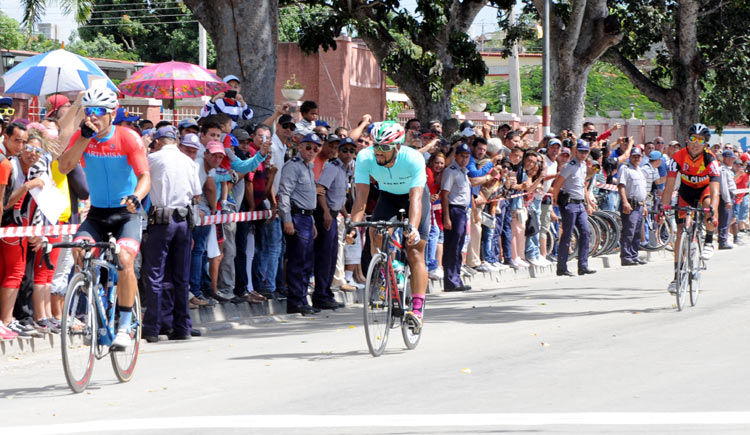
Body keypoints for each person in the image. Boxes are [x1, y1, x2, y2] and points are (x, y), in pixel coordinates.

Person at [58, 87, 150, 350]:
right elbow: (65, 167)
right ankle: (96, 299)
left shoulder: (128, 138)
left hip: (126, 213)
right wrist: (83, 140)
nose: (93, 117)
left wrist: (136, 196)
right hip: (97, 213)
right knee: (79, 250)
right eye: (89, 111)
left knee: (123, 258)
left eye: (98, 112)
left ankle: (123, 326)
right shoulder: (82, 136)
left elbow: (145, 176)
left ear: (111, 113)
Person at [349, 121, 430, 329]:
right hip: (389, 196)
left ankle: (417, 310)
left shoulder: (413, 159)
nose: (379, 152)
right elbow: (361, 198)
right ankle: (387, 271)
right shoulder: (365, 157)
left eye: (384, 147)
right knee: (375, 230)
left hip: (414, 197)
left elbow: (416, 199)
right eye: (376, 146)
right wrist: (352, 226)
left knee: (414, 250)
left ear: (398, 147)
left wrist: (411, 228)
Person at [141, 126, 202, 343]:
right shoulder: (188, 160)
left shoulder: (153, 158)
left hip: (161, 219)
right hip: (183, 220)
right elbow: (196, 193)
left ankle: (152, 327)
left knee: (155, 275)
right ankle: (182, 326)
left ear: (157, 141)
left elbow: (141, 183)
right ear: (175, 141)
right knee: (180, 276)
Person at [661, 123, 720, 295]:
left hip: (705, 190)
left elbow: (716, 190)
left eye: (700, 140)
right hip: (686, 191)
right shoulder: (678, 157)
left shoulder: (710, 159)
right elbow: (669, 186)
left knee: (709, 206)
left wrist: (713, 211)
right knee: (681, 230)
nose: (696, 143)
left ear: (706, 144)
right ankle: (677, 276)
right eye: (693, 139)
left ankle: (709, 239)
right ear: (688, 140)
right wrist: (665, 208)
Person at [278, 133, 323, 315]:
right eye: (308, 147)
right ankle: (296, 300)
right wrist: (287, 218)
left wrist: (311, 221)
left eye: (315, 148)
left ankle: (303, 298)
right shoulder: (293, 166)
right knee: (297, 261)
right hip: (296, 217)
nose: (312, 151)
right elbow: (285, 193)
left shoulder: (307, 167)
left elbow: (309, 198)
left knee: (306, 262)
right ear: (301, 147)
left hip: (306, 218)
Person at [312, 137, 355, 309]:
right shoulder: (333, 167)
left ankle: (327, 292)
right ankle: (320, 295)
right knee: (324, 256)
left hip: (336, 213)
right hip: (326, 215)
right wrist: (326, 213)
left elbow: (340, 196)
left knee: (332, 255)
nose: (348, 154)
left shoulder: (346, 169)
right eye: (345, 150)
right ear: (338, 151)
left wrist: (345, 213)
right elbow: (320, 191)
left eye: (352, 151)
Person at [550, 139, 597, 277]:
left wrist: (587, 203)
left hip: (580, 203)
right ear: (576, 151)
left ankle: (583, 265)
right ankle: (562, 267)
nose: (583, 154)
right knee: (567, 235)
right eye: (581, 151)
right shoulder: (569, 166)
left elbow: (583, 184)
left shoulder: (582, 166)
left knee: (585, 232)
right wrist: (556, 201)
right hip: (569, 203)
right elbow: (558, 185)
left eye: (585, 151)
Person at [440, 143, 473, 291]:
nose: (464, 159)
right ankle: (450, 280)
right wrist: (446, 217)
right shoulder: (451, 171)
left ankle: (456, 278)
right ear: (456, 156)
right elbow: (445, 195)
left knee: (459, 246)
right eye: (462, 156)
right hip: (453, 210)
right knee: (452, 246)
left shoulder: (464, 172)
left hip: (463, 211)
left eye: (467, 157)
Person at [616, 147, 649, 266]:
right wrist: (625, 202)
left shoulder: (639, 170)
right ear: (630, 156)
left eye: (638, 156)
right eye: (634, 156)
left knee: (636, 232)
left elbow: (642, 190)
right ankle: (626, 256)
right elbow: (621, 186)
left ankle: (634, 255)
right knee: (628, 231)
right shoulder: (625, 169)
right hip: (630, 204)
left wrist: (644, 205)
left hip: (639, 205)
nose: (636, 158)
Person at [718, 149, 737, 249]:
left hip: (730, 197)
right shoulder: (723, 170)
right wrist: (727, 200)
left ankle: (724, 239)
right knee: (724, 220)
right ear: (725, 159)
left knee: (728, 219)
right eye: (731, 158)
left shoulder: (727, 169)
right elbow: (724, 187)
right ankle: (722, 241)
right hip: (726, 197)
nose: (733, 160)